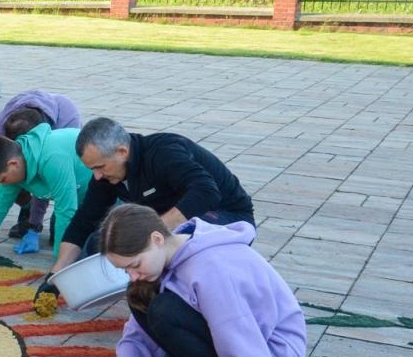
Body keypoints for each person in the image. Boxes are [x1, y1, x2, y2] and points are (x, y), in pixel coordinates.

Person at [106, 205, 305, 357]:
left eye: (135, 265)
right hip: (248, 353)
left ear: (157, 239)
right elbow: (139, 335)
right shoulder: (166, 257)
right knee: (138, 296)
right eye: (125, 270)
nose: (132, 275)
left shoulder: (211, 271)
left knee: (165, 310)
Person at [42, 116, 255, 298]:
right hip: (174, 225)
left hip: (227, 217)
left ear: (122, 151)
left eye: (100, 167)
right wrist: (55, 276)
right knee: (99, 241)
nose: (97, 176)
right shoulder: (106, 176)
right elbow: (84, 220)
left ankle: (187, 295)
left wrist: (151, 230)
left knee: (160, 246)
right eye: (92, 170)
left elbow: (206, 192)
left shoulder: (164, 152)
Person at [0, 117, 92, 270]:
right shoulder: (18, 163)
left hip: (108, 196)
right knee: (67, 242)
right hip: (78, 196)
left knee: (89, 253)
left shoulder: (51, 158)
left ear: (13, 164)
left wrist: (59, 267)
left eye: (3, 179)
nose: (3, 184)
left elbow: (66, 211)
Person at [0, 89, 83, 248]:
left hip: (81, 186)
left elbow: (55, 195)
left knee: (66, 228)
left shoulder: (56, 148)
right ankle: (27, 212)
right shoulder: (0, 129)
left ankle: (37, 219)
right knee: (7, 179)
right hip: (34, 166)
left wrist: (36, 230)